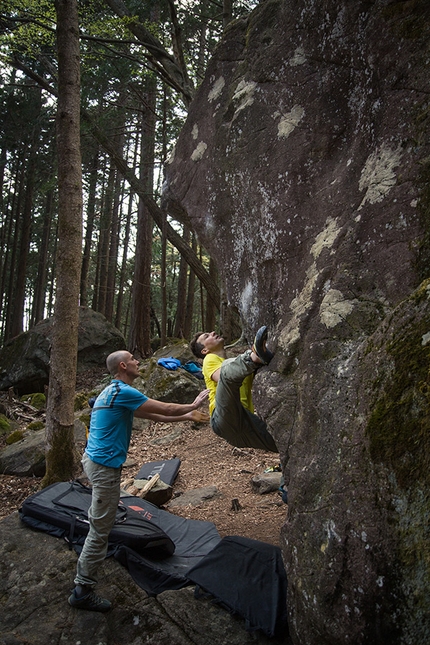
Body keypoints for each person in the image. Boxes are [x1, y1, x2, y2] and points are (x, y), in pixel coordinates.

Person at [68, 350, 209, 613]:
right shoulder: (122, 392)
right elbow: (165, 407)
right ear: (122, 365)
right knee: (101, 527)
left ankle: (89, 559)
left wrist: (187, 417)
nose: (137, 362)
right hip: (103, 467)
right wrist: (192, 405)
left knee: (102, 517)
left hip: (96, 462)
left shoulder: (113, 392)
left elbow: (156, 416)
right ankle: (82, 589)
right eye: (133, 359)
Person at [189, 326, 278, 454]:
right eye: (206, 336)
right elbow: (222, 377)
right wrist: (252, 357)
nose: (213, 332)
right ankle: (253, 356)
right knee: (227, 372)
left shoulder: (233, 364)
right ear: (205, 350)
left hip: (243, 423)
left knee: (280, 442)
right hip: (224, 418)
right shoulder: (209, 359)